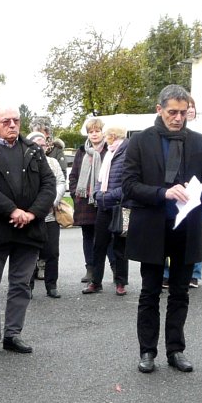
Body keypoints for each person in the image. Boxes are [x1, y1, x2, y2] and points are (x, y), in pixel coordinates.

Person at [122, 84, 202, 374]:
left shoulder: (198, 141)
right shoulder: (140, 141)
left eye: (183, 113)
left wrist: (199, 195)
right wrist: (163, 193)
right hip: (152, 226)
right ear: (159, 110)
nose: (178, 118)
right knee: (150, 292)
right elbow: (129, 185)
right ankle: (147, 351)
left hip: (186, 227)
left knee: (180, 293)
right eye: (172, 112)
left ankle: (176, 350)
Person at [0, 104, 56, 357]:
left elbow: (49, 184)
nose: (12, 125)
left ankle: (12, 335)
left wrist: (32, 213)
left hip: (29, 228)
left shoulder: (33, 150)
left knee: (21, 285)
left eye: (16, 120)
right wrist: (11, 210)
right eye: (6, 121)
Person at [164, 97, 202, 288]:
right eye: (175, 111)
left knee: (194, 238)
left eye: (188, 108)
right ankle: (166, 273)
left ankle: (194, 273)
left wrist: (200, 194)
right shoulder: (153, 138)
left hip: (193, 198)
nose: (182, 115)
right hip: (168, 200)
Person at [82, 125, 130, 296]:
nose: (105, 138)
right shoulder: (109, 153)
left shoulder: (127, 153)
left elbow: (128, 183)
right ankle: (96, 282)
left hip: (119, 205)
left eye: (107, 135)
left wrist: (108, 196)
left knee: (120, 246)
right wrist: (97, 193)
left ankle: (121, 282)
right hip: (104, 205)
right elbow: (100, 179)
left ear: (113, 136)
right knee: (99, 245)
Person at [69, 118, 112, 283]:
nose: (94, 134)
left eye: (97, 131)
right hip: (84, 201)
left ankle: (116, 271)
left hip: (103, 200)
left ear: (103, 132)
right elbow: (73, 175)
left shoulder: (109, 150)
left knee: (108, 238)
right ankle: (90, 269)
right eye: (91, 132)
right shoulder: (81, 151)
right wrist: (75, 193)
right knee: (87, 236)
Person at [25, 132, 65, 299]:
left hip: (50, 215)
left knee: (52, 252)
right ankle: (27, 287)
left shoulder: (53, 162)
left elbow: (60, 182)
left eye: (43, 145)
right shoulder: (23, 162)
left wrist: (52, 201)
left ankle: (51, 285)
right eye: (37, 145)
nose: (40, 148)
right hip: (30, 215)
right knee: (29, 253)